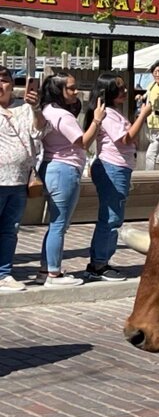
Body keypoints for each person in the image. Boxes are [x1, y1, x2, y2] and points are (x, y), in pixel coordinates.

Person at [36, 72, 95, 288]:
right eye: (70, 88)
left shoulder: (48, 110)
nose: (76, 91)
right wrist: (96, 121)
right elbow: (83, 142)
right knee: (59, 224)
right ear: (58, 91)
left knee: (56, 224)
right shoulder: (62, 115)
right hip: (64, 169)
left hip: (52, 167)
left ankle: (46, 269)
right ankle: (53, 274)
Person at [87, 79, 149, 280]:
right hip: (112, 167)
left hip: (119, 167)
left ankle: (100, 261)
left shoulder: (114, 112)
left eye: (124, 87)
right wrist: (142, 116)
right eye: (119, 88)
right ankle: (99, 264)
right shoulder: (108, 114)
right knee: (111, 217)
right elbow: (125, 139)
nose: (124, 91)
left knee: (113, 216)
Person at [0, 67, 45, 292]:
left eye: (4, 80)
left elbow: (39, 132)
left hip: (19, 180)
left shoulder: (24, 108)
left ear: (12, 84)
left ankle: (4, 273)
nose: (1, 85)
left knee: (10, 229)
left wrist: (36, 108)